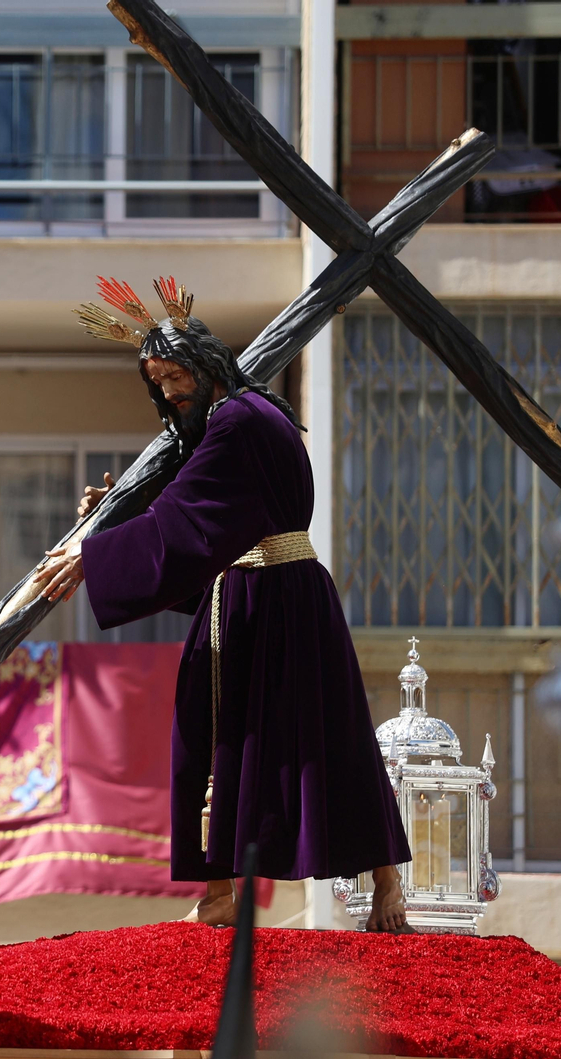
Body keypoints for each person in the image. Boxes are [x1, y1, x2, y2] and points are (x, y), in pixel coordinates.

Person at [41, 276, 413, 931]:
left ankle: (386, 887)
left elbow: (188, 518)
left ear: (206, 364)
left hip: (277, 595)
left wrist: (94, 557)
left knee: (330, 743)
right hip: (248, 597)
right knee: (214, 742)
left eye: (173, 376)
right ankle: (219, 894)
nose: (167, 391)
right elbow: (185, 510)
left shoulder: (241, 419)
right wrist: (108, 523)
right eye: (156, 382)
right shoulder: (236, 419)